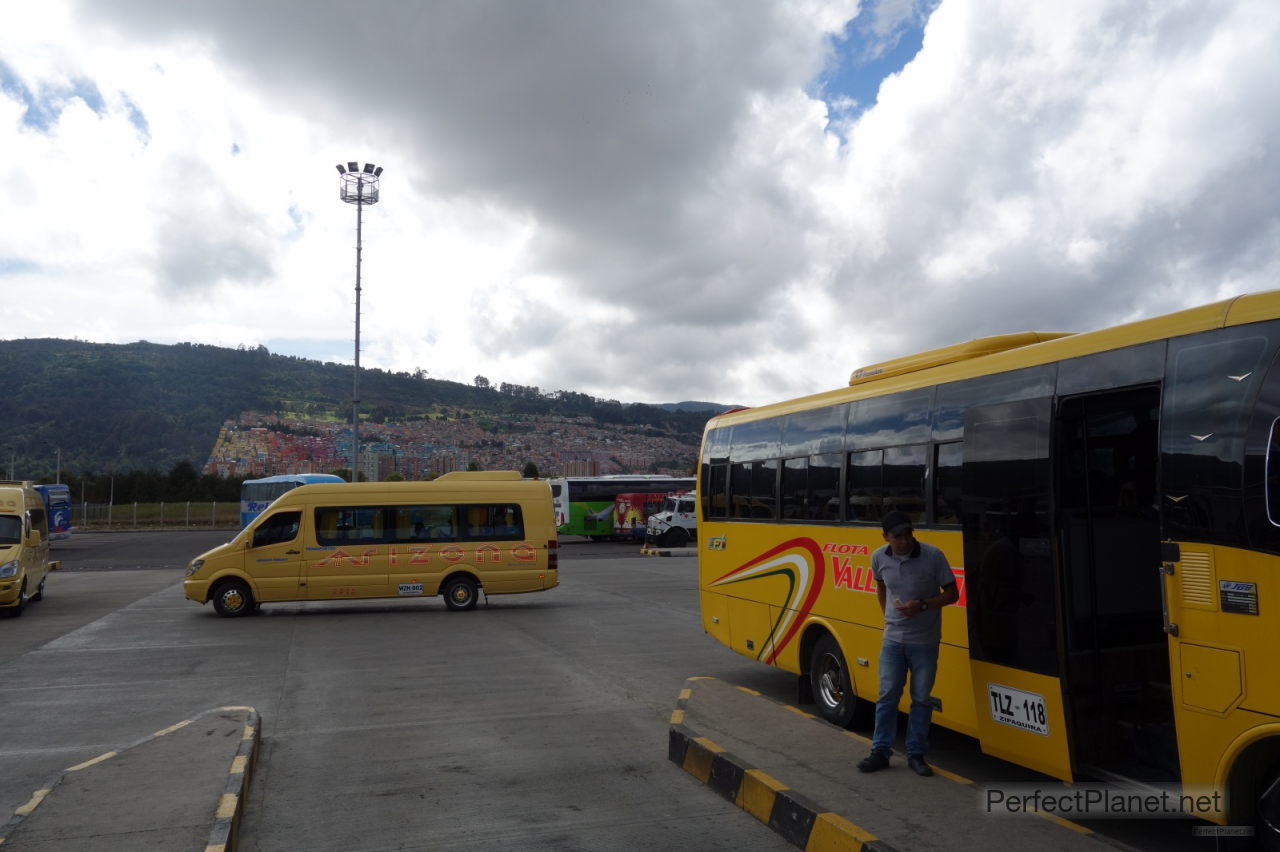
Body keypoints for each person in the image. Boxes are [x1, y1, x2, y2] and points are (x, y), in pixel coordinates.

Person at [857, 510, 959, 777]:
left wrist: (923, 605)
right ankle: (880, 751)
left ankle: (916, 754)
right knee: (887, 695)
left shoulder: (933, 556)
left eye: (908, 535)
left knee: (921, 699)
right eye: (898, 537)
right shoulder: (879, 557)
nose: (904, 541)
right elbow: (881, 586)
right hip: (893, 639)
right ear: (886, 537)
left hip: (924, 641)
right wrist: (888, 615)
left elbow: (952, 594)